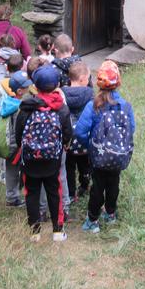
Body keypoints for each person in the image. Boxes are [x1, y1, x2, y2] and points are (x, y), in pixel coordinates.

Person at [75, 61, 135, 234]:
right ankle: (110, 214)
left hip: (98, 156)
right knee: (114, 183)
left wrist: (91, 146)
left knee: (97, 186)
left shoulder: (93, 106)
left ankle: (92, 221)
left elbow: (80, 131)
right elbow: (132, 129)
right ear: (118, 82)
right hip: (119, 154)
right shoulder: (125, 106)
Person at [15, 65, 73, 242]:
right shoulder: (61, 108)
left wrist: (26, 150)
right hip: (52, 160)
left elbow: (19, 134)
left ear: (36, 86)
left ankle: (35, 233)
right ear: (56, 85)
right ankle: (57, 231)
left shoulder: (26, 107)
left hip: (30, 160)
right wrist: (63, 145)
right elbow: (68, 133)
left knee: (31, 193)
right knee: (54, 192)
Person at [0, 70, 33, 207]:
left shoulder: (7, 102)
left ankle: (11, 197)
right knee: (18, 170)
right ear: (20, 91)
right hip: (16, 145)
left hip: (8, 144)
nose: (28, 88)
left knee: (10, 170)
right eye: (26, 86)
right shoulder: (19, 107)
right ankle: (14, 198)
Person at [62, 61, 93, 203]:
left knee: (69, 167)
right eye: (88, 78)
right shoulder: (90, 94)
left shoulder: (62, 94)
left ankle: (71, 193)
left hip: (67, 140)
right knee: (85, 164)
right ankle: (85, 183)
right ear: (82, 79)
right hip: (84, 138)